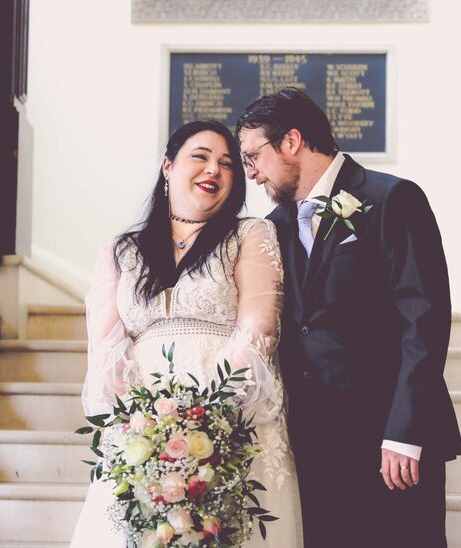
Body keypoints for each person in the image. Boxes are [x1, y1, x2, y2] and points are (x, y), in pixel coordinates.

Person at [236, 88, 461, 547]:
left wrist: (404, 432)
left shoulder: (392, 198)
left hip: (390, 441)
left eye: (253, 156)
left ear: (293, 141)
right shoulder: (273, 227)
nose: (252, 173)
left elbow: (424, 320)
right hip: (314, 444)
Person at [70, 120, 303, 547]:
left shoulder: (249, 234)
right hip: (141, 429)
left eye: (228, 163)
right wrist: (144, 428)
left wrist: (209, 421)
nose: (213, 169)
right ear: (167, 166)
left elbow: (259, 327)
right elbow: (105, 347)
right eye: (201, 157)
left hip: (232, 420)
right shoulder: (120, 251)